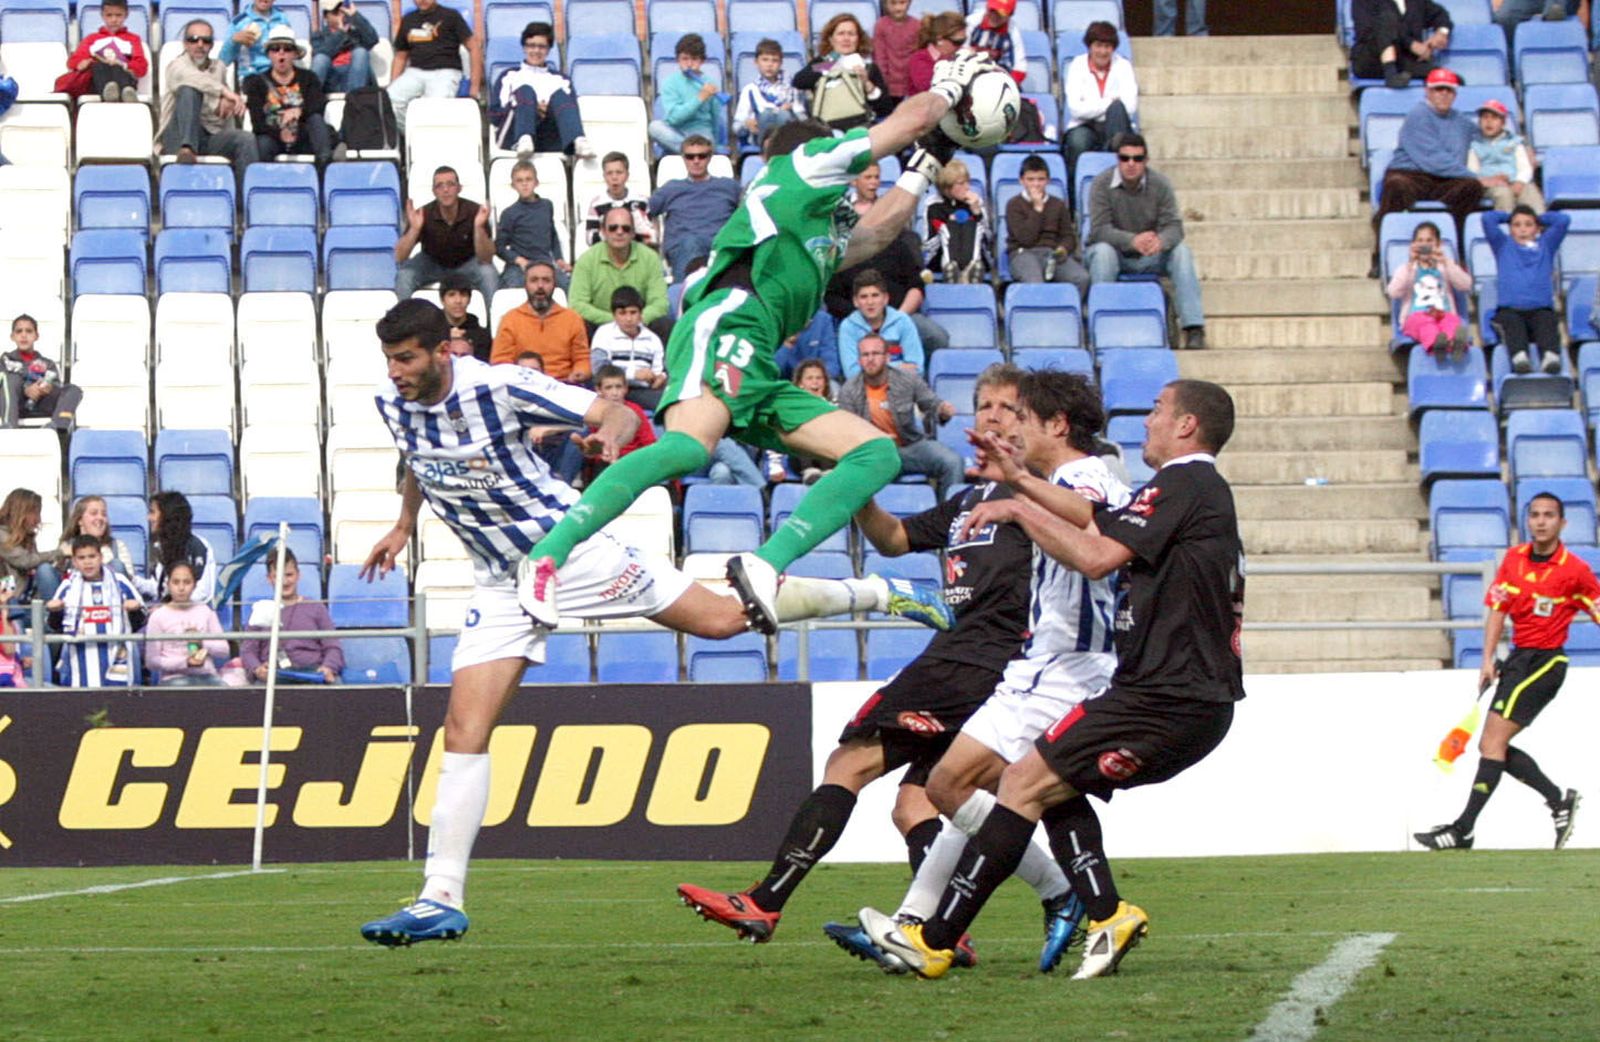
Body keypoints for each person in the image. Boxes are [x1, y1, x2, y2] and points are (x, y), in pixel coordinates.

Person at [355, 299, 954, 946]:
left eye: (407, 358)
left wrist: (610, 435)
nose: (396, 372)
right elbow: (418, 460)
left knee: (723, 621)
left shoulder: (501, 384)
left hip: (570, 550)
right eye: (389, 360)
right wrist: (402, 523)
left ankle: (874, 592)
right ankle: (440, 897)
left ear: (445, 350)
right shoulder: (395, 404)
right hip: (501, 581)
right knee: (464, 728)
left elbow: (611, 409)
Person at [519, 54, 999, 637]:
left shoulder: (818, 231)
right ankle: (548, 554)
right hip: (727, 321)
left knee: (878, 454)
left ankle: (766, 563)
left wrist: (931, 160)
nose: (854, 188)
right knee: (689, 448)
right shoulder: (801, 165)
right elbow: (909, 118)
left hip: (761, 357)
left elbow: (881, 229)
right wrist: (949, 87)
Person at [679, 366, 1084, 973]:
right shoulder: (970, 500)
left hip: (978, 659)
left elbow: (1088, 529)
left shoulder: (1037, 495)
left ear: (1030, 420)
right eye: (984, 405)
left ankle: (766, 901)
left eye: (1007, 407)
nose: (993, 416)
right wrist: (857, 487)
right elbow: (894, 538)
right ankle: (939, 929)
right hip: (967, 658)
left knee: (851, 763)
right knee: (917, 804)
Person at [859, 379, 1245, 981]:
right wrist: (1018, 483)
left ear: (1188, 425)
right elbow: (1101, 519)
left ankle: (934, 936)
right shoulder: (1183, 490)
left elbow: (1095, 552)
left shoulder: (1184, 482)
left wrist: (1017, 504)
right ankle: (1098, 911)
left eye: (1157, 409)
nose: (1145, 421)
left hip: (1153, 688)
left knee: (1010, 785)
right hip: (1153, 686)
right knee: (1036, 783)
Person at [832, 368, 1127, 975]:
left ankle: (950, 927)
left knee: (963, 785)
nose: (1007, 425)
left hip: (1067, 665)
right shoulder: (1045, 482)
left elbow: (1093, 522)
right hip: (1043, 664)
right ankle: (927, 925)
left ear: (1054, 424)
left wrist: (1017, 499)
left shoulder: (1081, 474)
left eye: (1017, 415)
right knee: (965, 787)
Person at [1416, 492, 1589, 852]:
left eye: (1549, 515)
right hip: (1518, 660)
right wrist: (1487, 658)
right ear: (1527, 520)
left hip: (1546, 663)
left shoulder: (1575, 571)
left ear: (1562, 523)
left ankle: (1463, 829)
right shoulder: (1514, 560)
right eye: (1535, 515)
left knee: (1491, 743)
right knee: (1491, 745)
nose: (1541, 521)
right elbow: (1497, 608)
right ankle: (1558, 801)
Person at [1086, 132, 1206, 349]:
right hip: (1117, 254)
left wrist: (1161, 241)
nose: (1131, 164)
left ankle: (1193, 326)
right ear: (1118, 159)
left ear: (1146, 160)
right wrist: (1132, 240)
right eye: (1125, 158)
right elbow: (1099, 230)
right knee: (1102, 252)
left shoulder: (1160, 184)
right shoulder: (1101, 184)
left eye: (1137, 159)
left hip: (1151, 254)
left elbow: (1174, 226)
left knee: (1182, 252)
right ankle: (1102, 322)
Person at [827, 163, 948, 355]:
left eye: (877, 177)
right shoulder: (843, 251)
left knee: (936, 337)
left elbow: (916, 285)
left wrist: (897, 318)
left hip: (899, 315)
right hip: (857, 321)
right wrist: (863, 317)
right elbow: (832, 297)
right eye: (868, 177)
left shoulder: (897, 244)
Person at [838, 334, 962, 496]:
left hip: (910, 447)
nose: (870, 359)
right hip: (874, 455)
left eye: (876, 353)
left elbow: (931, 403)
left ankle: (948, 516)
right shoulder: (849, 391)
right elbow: (848, 434)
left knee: (953, 462)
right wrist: (877, 441)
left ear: (887, 357)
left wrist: (942, 410)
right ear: (859, 360)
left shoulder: (907, 379)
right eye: (865, 355)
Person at [1373, 68, 1481, 250]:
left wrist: (1518, 146)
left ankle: (1458, 248)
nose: (1444, 94)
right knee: (1396, 185)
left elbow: (1485, 136)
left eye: (1449, 90)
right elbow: (1433, 158)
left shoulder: (1460, 119)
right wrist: (1474, 175)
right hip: (1412, 175)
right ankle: (1382, 249)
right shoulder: (1418, 115)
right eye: (1439, 89)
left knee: (1471, 188)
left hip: (1442, 179)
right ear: (1428, 91)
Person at [158, 20, 258, 178]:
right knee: (189, 90)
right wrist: (222, 93)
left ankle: (245, 198)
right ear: (185, 44)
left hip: (209, 134)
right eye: (193, 39)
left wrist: (227, 102)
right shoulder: (176, 66)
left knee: (246, 139)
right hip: (178, 136)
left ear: (211, 45)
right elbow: (192, 79)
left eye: (206, 40)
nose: (200, 44)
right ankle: (187, 148)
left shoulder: (218, 68)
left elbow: (224, 108)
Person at [48, 535, 145, 687]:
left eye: (92, 556)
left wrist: (134, 610)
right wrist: (56, 611)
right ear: (74, 561)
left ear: (100, 557)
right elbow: (55, 626)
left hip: (117, 656)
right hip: (79, 659)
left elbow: (140, 621)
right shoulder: (68, 586)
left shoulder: (119, 581)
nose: (87, 562)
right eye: (82, 557)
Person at [488, 21, 594, 160]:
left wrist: (546, 111)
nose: (536, 51)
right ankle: (524, 137)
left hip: (549, 137)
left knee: (560, 95)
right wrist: (530, 110)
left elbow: (572, 111)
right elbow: (494, 115)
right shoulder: (509, 76)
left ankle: (578, 140)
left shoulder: (561, 80)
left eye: (542, 47)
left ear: (548, 49)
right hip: (512, 137)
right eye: (531, 45)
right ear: (524, 47)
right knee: (525, 91)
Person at [1484, 205, 1570, 374]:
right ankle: (1519, 358)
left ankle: (1550, 357)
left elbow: (1563, 220)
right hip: (1510, 310)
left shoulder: (1546, 245)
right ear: (1510, 229)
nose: (1522, 229)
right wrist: (1510, 215)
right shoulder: (1503, 245)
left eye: (1528, 224)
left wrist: (1538, 217)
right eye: (1517, 225)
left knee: (1547, 321)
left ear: (1537, 228)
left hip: (1540, 309)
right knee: (1512, 323)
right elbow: (1488, 219)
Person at [396, 166, 499, 305]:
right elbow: (399, 256)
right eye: (439, 186)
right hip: (432, 263)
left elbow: (486, 258)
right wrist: (414, 229)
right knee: (404, 275)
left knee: (489, 274)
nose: (445, 190)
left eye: (450, 184)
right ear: (434, 191)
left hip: (467, 263)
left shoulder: (475, 211)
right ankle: (404, 324)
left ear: (459, 188)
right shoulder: (423, 214)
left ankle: (494, 324)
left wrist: (478, 227)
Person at [240, 548, 343, 684]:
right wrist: (257, 669)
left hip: (313, 673)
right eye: (278, 576)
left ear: (298, 575)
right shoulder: (261, 610)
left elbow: (333, 646)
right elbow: (248, 650)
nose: (285, 582)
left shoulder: (317, 608)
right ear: (269, 579)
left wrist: (328, 667)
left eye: (289, 575)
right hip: (273, 675)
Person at [648, 135, 742, 280]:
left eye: (701, 156)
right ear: (683, 158)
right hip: (684, 245)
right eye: (690, 157)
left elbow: (749, 211)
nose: (696, 161)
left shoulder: (728, 186)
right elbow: (644, 211)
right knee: (691, 243)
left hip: (721, 246)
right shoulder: (671, 188)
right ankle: (687, 296)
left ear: (709, 157)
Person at [567, 212, 671, 339]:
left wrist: (636, 320)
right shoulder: (587, 260)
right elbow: (577, 304)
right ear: (603, 232)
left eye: (626, 228)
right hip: (599, 327)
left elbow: (660, 302)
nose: (619, 232)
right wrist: (616, 321)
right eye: (613, 228)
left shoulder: (650, 258)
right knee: (578, 324)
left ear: (633, 233)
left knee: (664, 324)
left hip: (640, 325)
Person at [387, 0, 481, 135]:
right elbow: (401, 56)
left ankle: (429, 139)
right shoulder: (408, 20)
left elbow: (474, 48)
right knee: (389, 101)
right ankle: (413, 136)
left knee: (434, 109)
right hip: (414, 72)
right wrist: (394, 83)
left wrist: (475, 86)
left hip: (445, 72)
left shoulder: (451, 16)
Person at [243, 27, 333, 165]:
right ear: (269, 54)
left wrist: (299, 111)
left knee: (317, 122)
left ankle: (324, 177)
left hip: (303, 134)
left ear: (295, 54)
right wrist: (280, 132)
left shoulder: (308, 78)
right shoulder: (257, 83)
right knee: (262, 144)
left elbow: (318, 105)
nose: (281, 53)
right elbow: (258, 122)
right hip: (273, 136)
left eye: (287, 49)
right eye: (275, 49)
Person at [1063, 21, 1136, 186]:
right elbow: (1075, 109)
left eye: (1108, 47)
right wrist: (1109, 102)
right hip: (1084, 125)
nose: (1103, 52)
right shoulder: (1077, 65)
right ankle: (1075, 198)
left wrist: (1097, 106)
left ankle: (1120, 188)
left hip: (1115, 124)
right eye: (1098, 45)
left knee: (1118, 112)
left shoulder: (1123, 66)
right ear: (1090, 46)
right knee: (1078, 141)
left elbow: (1130, 106)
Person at [1006, 153, 1089, 295]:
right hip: (1023, 253)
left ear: (1047, 180)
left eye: (1041, 179)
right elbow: (1025, 239)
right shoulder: (1014, 205)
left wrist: (1063, 249)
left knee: (1081, 278)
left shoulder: (1058, 204)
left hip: (1052, 254)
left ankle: (1064, 311)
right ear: (1022, 181)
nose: (1036, 184)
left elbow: (1068, 236)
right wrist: (1037, 209)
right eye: (1030, 179)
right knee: (1035, 281)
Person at [795, 13, 893, 132]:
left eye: (851, 34)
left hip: (860, 126)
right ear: (831, 39)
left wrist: (867, 84)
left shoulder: (869, 68)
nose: (846, 38)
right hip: (827, 128)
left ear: (858, 39)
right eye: (841, 34)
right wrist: (831, 62)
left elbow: (885, 109)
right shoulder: (821, 63)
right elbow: (799, 81)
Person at [1387, 220, 1471, 358]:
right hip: (1417, 315)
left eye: (1429, 241)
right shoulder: (1406, 269)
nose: (1424, 244)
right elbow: (1393, 292)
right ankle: (1437, 346)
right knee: (1426, 325)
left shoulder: (1445, 267)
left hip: (1443, 313)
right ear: (1413, 245)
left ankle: (1456, 344)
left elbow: (1465, 284)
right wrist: (1410, 264)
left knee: (1452, 322)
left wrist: (1446, 262)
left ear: (1438, 244)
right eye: (1420, 241)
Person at [143, 561, 235, 686]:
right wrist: (184, 662)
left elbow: (224, 651)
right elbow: (152, 661)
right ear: (168, 585)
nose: (181, 588)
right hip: (174, 679)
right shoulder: (158, 616)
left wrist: (201, 641)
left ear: (194, 585)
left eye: (187, 582)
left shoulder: (206, 611)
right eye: (176, 582)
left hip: (207, 676)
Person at [489, 262, 589, 376]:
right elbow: (500, 362)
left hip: (563, 385)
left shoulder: (572, 319)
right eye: (534, 280)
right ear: (525, 284)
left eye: (546, 280)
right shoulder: (510, 319)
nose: (540, 286)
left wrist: (580, 372)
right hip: (524, 386)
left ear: (554, 284)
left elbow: (582, 358)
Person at [495, 159, 569, 290]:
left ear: (536, 182)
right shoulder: (509, 213)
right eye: (519, 180)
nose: (524, 184)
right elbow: (499, 247)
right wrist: (518, 260)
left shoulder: (547, 205)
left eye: (528, 179)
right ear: (513, 185)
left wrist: (559, 258)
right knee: (511, 290)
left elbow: (552, 234)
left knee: (569, 286)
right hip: (519, 267)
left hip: (545, 264)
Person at [589, 286, 667, 412]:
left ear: (641, 314)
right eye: (622, 313)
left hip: (643, 391)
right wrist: (633, 374)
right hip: (611, 389)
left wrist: (659, 377)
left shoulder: (652, 340)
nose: (628, 319)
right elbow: (598, 368)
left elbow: (659, 370)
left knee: (668, 402)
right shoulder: (604, 333)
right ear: (614, 315)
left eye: (633, 312)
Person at [649, 33, 726, 155]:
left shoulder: (710, 83)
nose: (689, 64)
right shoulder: (670, 83)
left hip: (701, 132)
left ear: (702, 61)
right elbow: (674, 119)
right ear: (678, 60)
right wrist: (700, 98)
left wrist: (716, 143)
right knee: (655, 127)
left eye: (694, 59)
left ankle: (695, 151)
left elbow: (715, 118)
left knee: (707, 142)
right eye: (685, 59)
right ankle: (695, 152)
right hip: (676, 131)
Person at [838, 269, 925, 377]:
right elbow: (852, 374)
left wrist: (871, 367)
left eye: (875, 295)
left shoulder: (903, 321)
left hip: (902, 388)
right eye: (864, 297)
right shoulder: (848, 327)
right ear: (855, 301)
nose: (870, 302)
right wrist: (899, 366)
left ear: (885, 298)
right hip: (863, 391)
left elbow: (917, 369)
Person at [2, 314, 82, 431]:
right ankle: (8, 426)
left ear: (36, 336)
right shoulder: (4, 360)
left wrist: (47, 388)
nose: (24, 335)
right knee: (10, 379)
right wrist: (26, 390)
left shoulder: (48, 364)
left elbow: (56, 387)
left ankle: (57, 428)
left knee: (73, 390)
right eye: (19, 331)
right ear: (12, 337)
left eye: (29, 331)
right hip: (15, 406)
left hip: (41, 404)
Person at [138, 491, 217, 606]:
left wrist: (170, 608)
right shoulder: (162, 548)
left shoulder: (198, 546)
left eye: (152, 512)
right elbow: (160, 589)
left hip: (193, 619)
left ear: (167, 515)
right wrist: (132, 580)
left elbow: (203, 593)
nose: (148, 518)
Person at [59, 0, 146, 103]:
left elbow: (142, 66)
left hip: (123, 74)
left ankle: (124, 92)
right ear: (102, 15)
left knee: (117, 68)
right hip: (97, 79)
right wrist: (83, 63)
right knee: (99, 66)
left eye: (118, 15)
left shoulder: (133, 39)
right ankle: (111, 93)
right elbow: (73, 61)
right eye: (109, 15)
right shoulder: (92, 39)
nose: (114, 20)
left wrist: (123, 64)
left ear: (126, 15)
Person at [1351, 0, 1451, 88]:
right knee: (1387, 17)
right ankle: (1390, 73)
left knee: (1449, 79)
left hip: (1404, 62)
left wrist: (1441, 32)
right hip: (1372, 59)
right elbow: (1367, 32)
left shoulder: (1417, 2)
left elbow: (1440, 14)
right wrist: (1411, 44)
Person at [1470, 98, 1543, 214]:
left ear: (1503, 122)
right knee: (1503, 193)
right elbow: (1472, 172)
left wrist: (1520, 182)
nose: (1489, 122)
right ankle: (1506, 227)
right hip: (1490, 185)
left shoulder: (1514, 142)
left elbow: (1524, 167)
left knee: (1530, 192)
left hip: (1516, 181)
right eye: (1485, 117)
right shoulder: (1475, 145)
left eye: (1494, 118)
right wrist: (1490, 180)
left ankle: (1539, 226)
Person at [925, 158, 989, 285]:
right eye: (961, 183)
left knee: (974, 226)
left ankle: (970, 269)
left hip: (975, 255)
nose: (967, 187)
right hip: (940, 256)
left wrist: (977, 213)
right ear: (947, 187)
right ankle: (952, 269)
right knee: (948, 228)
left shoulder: (975, 202)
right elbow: (930, 243)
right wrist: (950, 224)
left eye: (968, 182)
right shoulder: (934, 205)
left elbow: (988, 238)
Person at [734, 37, 803, 153]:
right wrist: (747, 124)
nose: (769, 65)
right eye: (765, 60)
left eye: (774, 60)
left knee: (783, 115)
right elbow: (736, 126)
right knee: (766, 115)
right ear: (756, 62)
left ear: (781, 63)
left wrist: (792, 111)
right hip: (760, 137)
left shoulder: (792, 88)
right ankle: (770, 150)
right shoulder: (750, 90)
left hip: (787, 135)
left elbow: (803, 119)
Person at [0, 488, 60, 616]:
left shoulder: (27, 538)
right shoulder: (2, 535)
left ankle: (55, 619)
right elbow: (25, 561)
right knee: (45, 569)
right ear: (21, 512)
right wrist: (60, 552)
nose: (38, 520)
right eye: (35, 513)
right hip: (10, 605)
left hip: (28, 601)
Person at [581, 152, 654, 247]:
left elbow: (651, 236)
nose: (614, 177)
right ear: (604, 177)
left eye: (619, 172)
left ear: (627, 175)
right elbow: (590, 239)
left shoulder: (641, 201)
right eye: (609, 173)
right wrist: (610, 229)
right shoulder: (597, 204)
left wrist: (639, 227)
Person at [58, 496, 137, 580]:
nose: (100, 518)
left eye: (104, 514)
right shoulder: (66, 547)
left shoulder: (117, 546)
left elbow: (131, 580)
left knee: (117, 565)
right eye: (94, 513)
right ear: (80, 520)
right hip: (75, 591)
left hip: (110, 591)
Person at [310, 0, 379, 93]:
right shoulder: (318, 36)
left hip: (355, 77)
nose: (341, 15)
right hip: (331, 79)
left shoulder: (356, 33)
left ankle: (356, 99)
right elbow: (323, 53)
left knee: (360, 52)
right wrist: (341, 33)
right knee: (321, 58)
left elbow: (373, 39)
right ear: (326, 17)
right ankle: (309, 100)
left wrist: (355, 15)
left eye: (343, 10)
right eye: (335, 12)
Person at [221, 0, 291, 79]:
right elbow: (224, 61)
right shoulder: (239, 22)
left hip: (279, 75)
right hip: (251, 75)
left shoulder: (282, 19)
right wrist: (233, 41)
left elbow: (289, 51)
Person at [964, 0, 1027, 82]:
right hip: (968, 75)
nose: (995, 16)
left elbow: (1020, 67)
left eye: (1002, 13)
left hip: (998, 80)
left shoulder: (1013, 32)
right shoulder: (971, 22)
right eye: (992, 10)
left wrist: (1008, 84)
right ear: (987, 8)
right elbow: (959, 51)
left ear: (1010, 15)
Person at [906, 12, 967, 96]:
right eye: (957, 42)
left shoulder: (961, 55)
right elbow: (930, 90)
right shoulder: (919, 60)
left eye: (964, 40)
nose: (961, 46)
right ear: (940, 39)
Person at [873, 0, 919, 105]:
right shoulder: (881, 25)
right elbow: (880, 57)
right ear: (885, 4)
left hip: (911, 84)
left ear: (909, 3)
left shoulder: (917, 25)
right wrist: (883, 83)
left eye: (902, 3)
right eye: (893, 3)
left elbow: (917, 57)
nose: (898, 8)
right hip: (889, 85)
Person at [439, 274, 491, 361]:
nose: (458, 301)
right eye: (451, 295)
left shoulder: (482, 336)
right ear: (442, 300)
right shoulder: (431, 333)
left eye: (463, 295)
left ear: (469, 299)